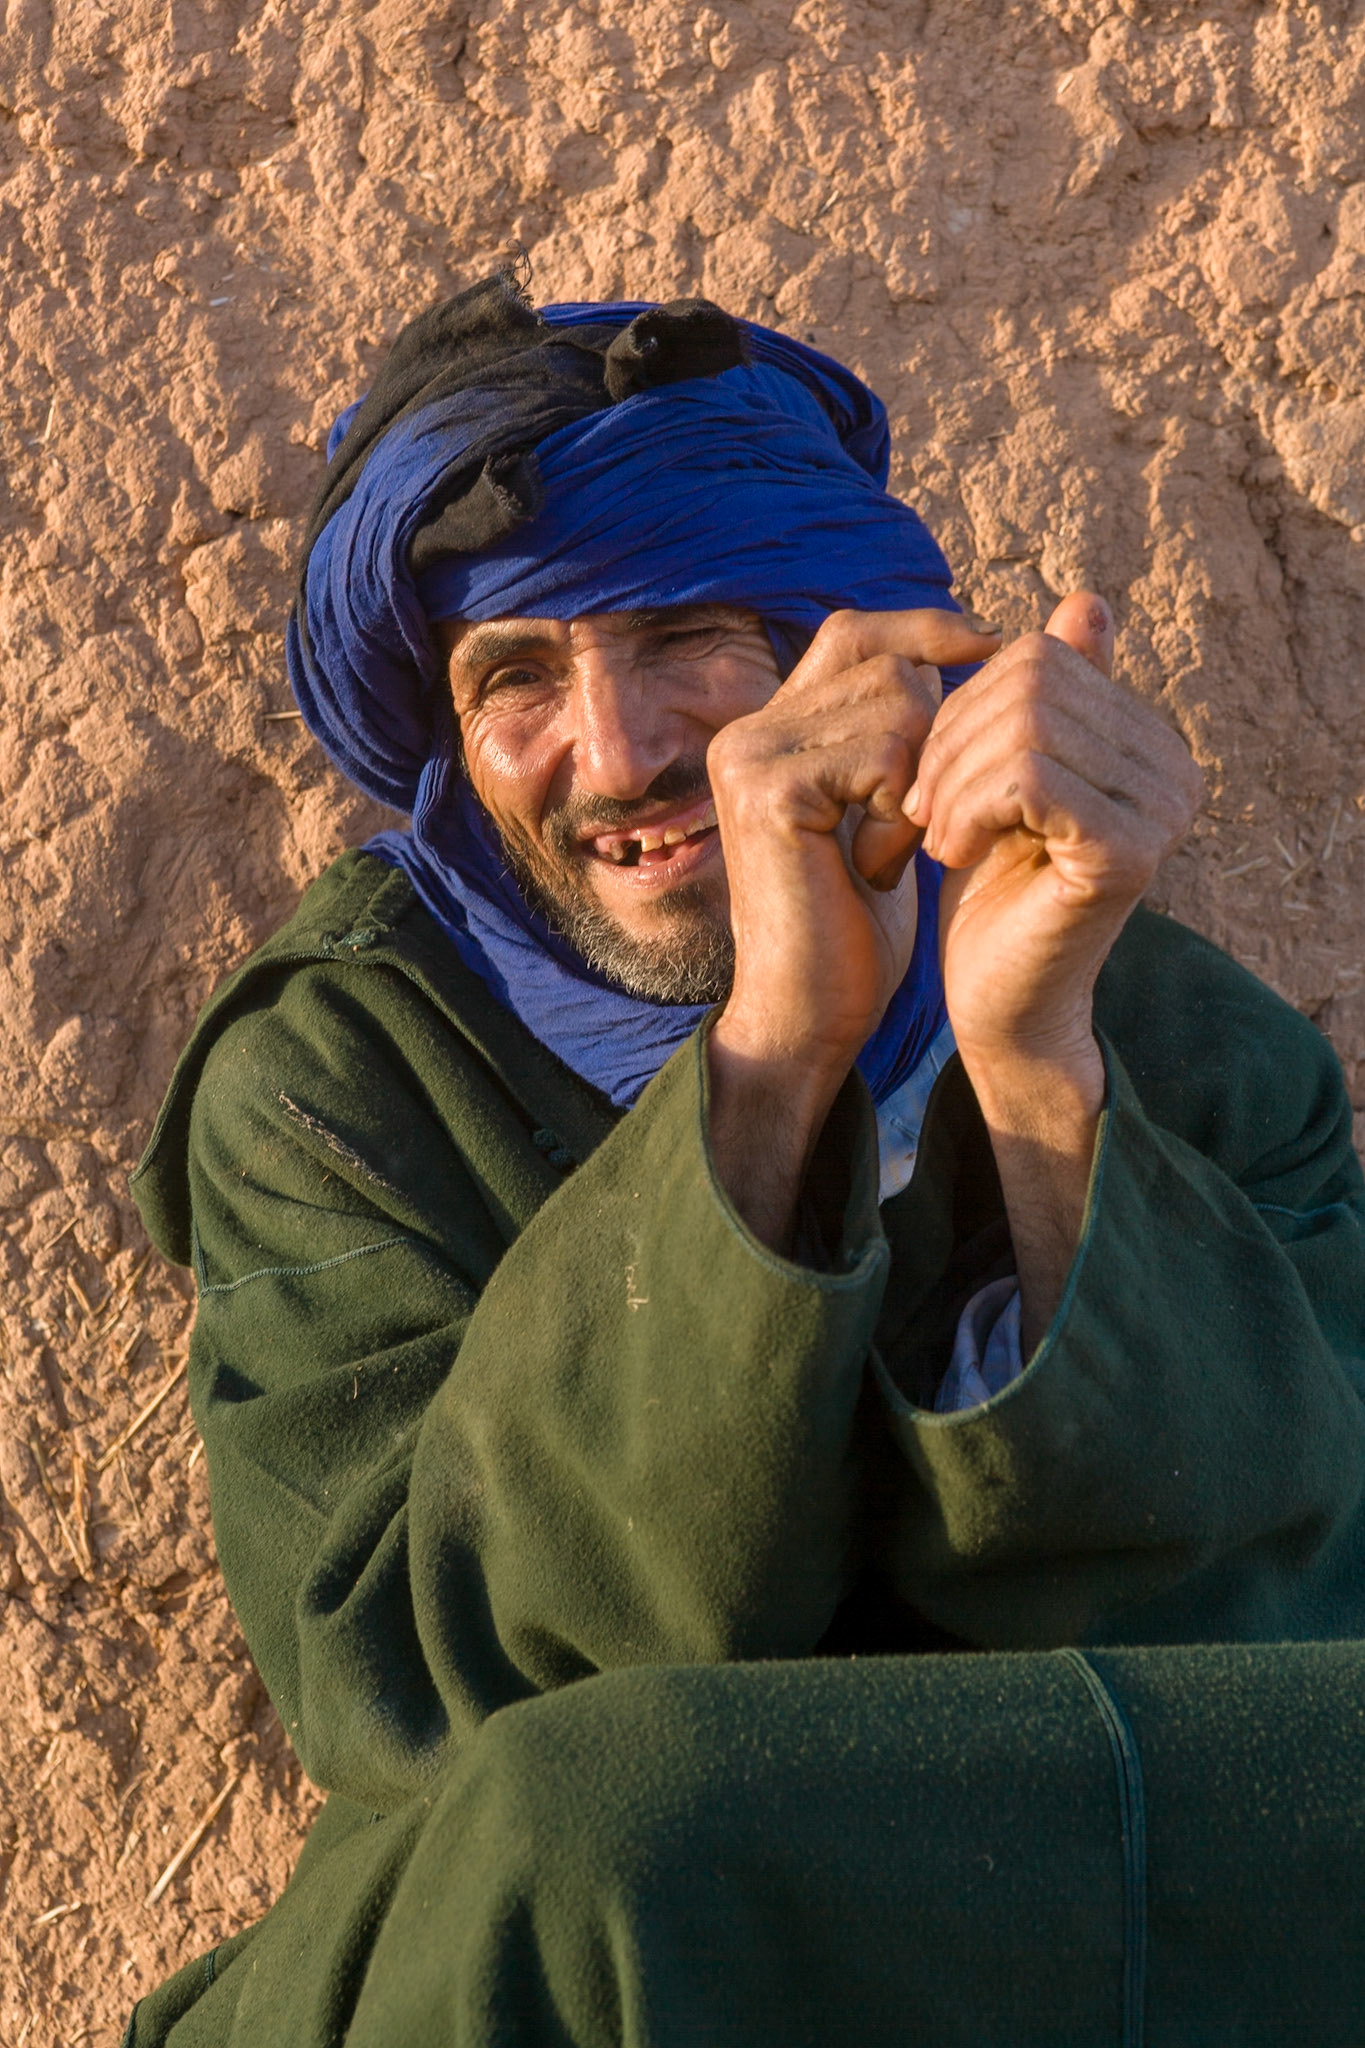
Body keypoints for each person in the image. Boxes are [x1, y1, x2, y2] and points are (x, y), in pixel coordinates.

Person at [124, 277, 1365, 2046]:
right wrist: (776, 1047)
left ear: (837, 653)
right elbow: (416, 1682)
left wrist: (1031, 1077)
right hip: (533, 1938)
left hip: (995, 1930)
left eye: (687, 637)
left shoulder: (1153, 1017)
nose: (618, 753)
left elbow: (1277, 1622)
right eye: (518, 678)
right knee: (623, 1823)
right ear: (449, 743)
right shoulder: (342, 1080)